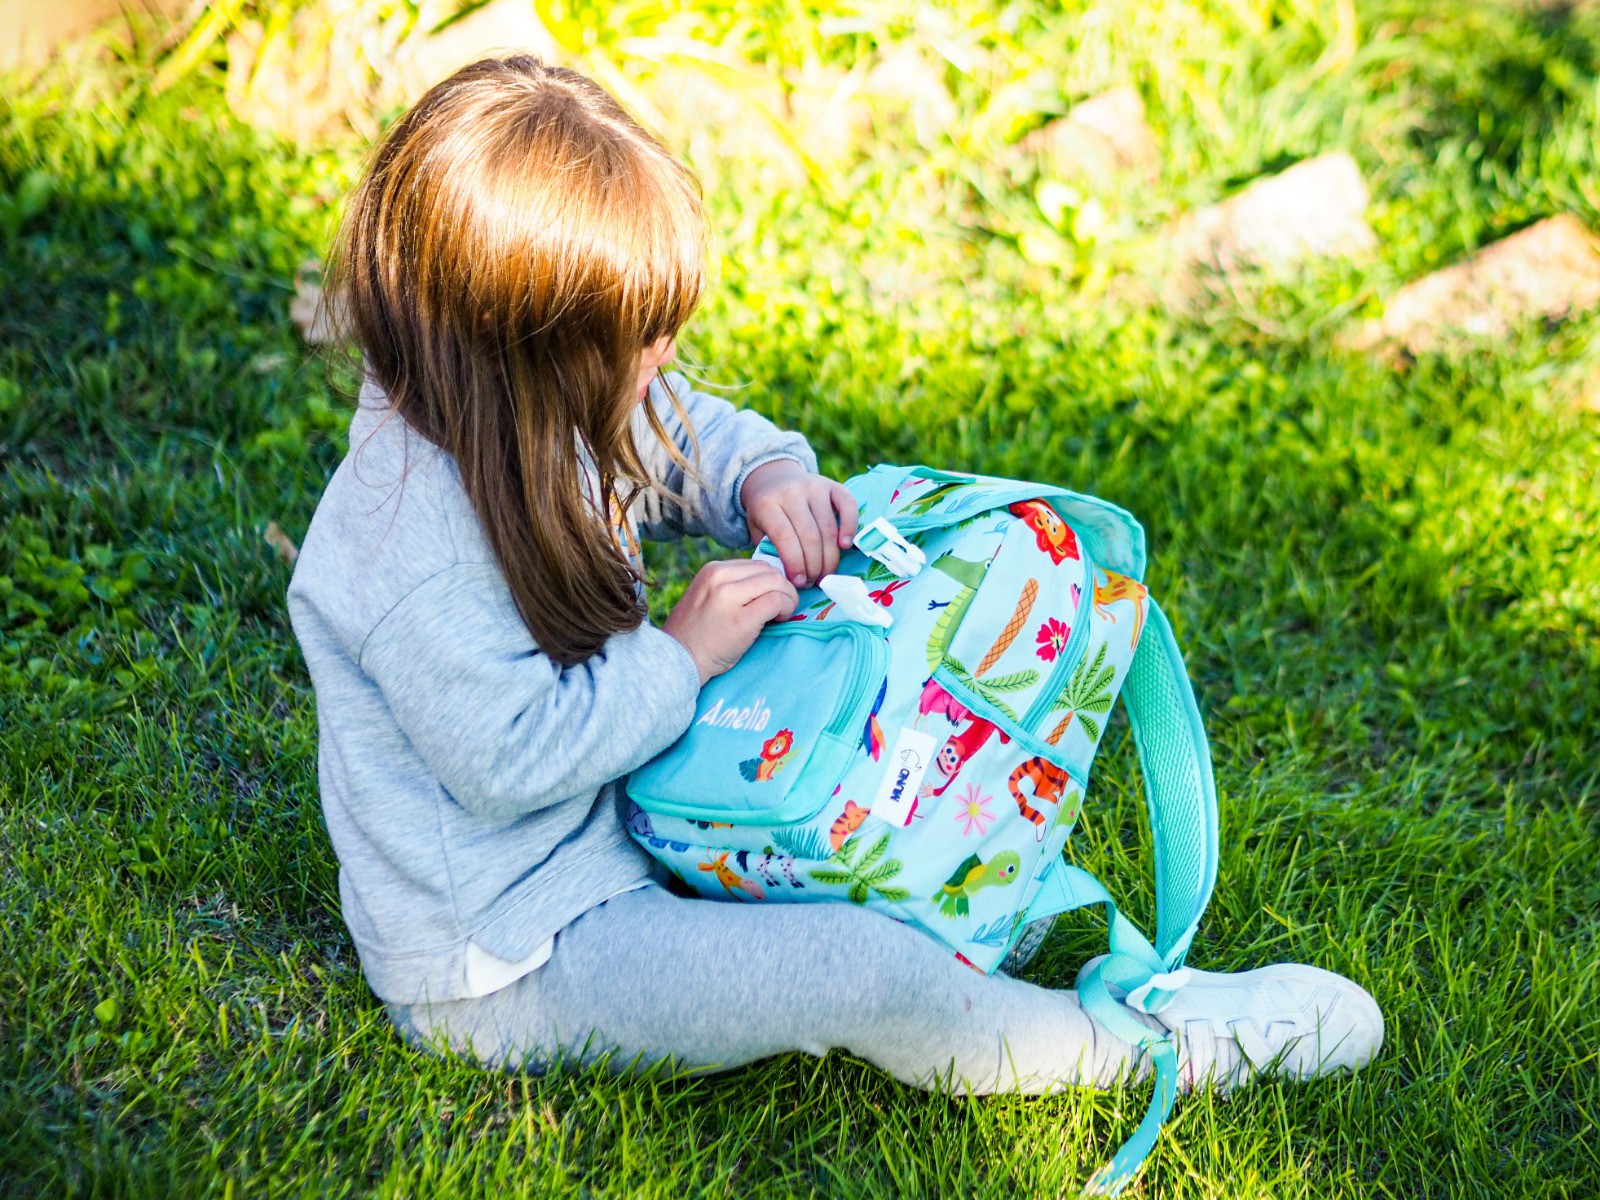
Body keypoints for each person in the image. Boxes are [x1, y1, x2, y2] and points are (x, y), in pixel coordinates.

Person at [287, 54, 1382, 1126]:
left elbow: (675, 435)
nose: (663, 356)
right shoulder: (406, 549)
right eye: (637, 342)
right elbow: (505, 761)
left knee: (863, 791)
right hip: (517, 954)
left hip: (629, 835)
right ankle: (1141, 1048)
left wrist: (764, 476)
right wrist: (683, 656)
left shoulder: (514, 400)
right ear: (522, 349)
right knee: (854, 968)